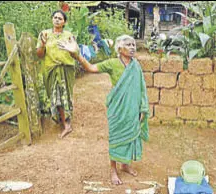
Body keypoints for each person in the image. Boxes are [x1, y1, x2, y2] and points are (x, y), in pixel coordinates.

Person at [57, 35, 150, 185]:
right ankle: (113, 169)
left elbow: (141, 88)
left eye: (133, 44)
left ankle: (125, 165)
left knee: (131, 135)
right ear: (120, 49)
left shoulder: (136, 66)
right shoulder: (112, 63)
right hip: (118, 109)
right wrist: (77, 55)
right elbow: (91, 68)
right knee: (115, 138)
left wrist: (143, 108)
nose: (133, 47)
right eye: (128, 45)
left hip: (133, 107)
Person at [36, 10, 76, 139]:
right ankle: (64, 121)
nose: (57, 20)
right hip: (51, 70)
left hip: (66, 69)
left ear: (64, 22)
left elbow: (75, 53)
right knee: (56, 97)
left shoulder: (69, 35)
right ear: (52, 19)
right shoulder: (44, 34)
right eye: (55, 17)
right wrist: (42, 44)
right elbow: (40, 55)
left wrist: (71, 48)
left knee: (65, 96)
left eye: (60, 18)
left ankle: (66, 124)